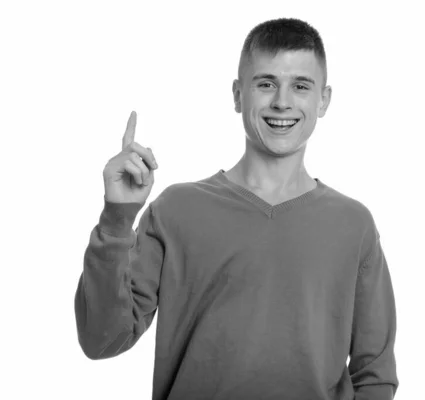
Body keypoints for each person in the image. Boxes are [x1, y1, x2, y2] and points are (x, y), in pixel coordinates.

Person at [74, 17, 398, 400]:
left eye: (300, 86)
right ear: (237, 95)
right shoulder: (178, 210)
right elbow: (102, 339)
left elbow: (375, 375)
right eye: (266, 84)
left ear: (323, 100)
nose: (282, 101)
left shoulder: (352, 224)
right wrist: (117, 219)